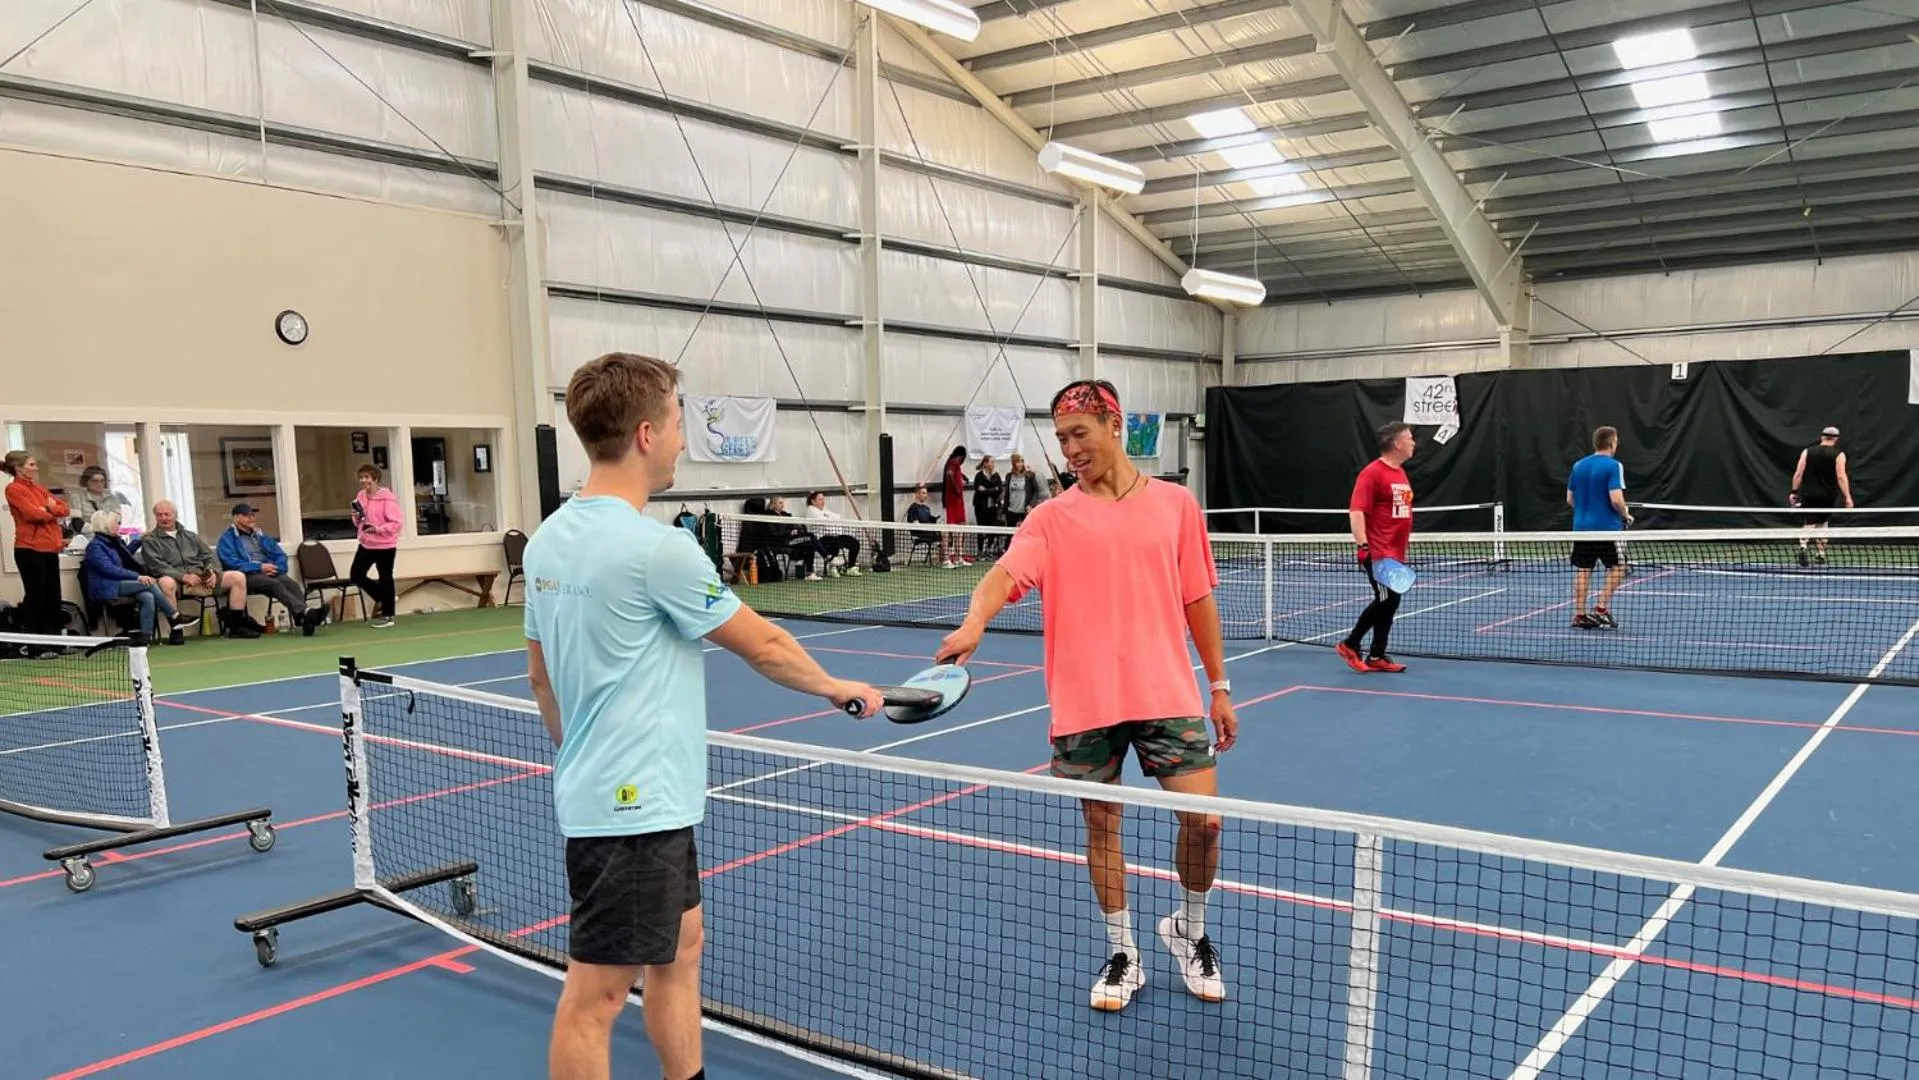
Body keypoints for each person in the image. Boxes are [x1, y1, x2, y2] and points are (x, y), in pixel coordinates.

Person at [525, 352, 883, 1080]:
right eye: (678, 422)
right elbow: (766, 645)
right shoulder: (659, 550)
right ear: (646, 434)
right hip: (634, 808)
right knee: (595, 999)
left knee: (681, 948)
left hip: (623, 798)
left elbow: (541, 679)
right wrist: (835, 687)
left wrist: (585, 762)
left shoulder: (547, 541)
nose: (683, 439)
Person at [937, 378, 1238, 1013]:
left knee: (1206, 824)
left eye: (1079, 433)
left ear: (1113, 424)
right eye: (1061, 438)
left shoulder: (1176, 505)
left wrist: (1219, 685)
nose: (1070, 449)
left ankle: (1189, 929)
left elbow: (1198, 599)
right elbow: (1004, 574)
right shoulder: (1050, 519)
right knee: (1102, 826)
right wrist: (975, 620)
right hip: (1086, 703)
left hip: (1167, 693)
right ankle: (1123, 952)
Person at [1337, 422, 1416, 674]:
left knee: (1391, 601)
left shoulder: (1400, 473)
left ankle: (1377, 655)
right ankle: (1350, 644)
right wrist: (1363, 545)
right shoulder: (1371, 473)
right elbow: (1357, 511)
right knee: (1386, 599)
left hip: (1396, 553)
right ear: (1397, 443)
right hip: (1378, 552)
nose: (1413, 442)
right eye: (1409, 438)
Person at [140, 500, 256, 638]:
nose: (163, 518)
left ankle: (236, 627)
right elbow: (157, 566)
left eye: (167, 514)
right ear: (155, 517)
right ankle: (176, 630)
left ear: (175, 515)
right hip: (176, 580)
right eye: (159, 515)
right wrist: (183, 577)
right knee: (166, 582)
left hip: (201, 576)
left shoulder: (190, 536)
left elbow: (209, 556)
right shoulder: (149, 539)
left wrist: (212, 572)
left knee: (238, 577)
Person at [83, 510, 193, 645]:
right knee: (149, 583)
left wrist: (139, 540)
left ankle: (146, 636)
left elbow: (124, 556)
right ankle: (174, 616)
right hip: (105, 587)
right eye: (116, 523)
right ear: (105, 526)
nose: (119, 526)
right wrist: (137, 576)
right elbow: (109, 569)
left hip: (120, 583)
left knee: (148, 596)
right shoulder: (95, 547)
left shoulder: (115, 542)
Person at [216, 504, 324, 636]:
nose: (251, 518)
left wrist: (277, 568)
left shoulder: (261, 536)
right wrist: (259, 567)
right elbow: (231, 563)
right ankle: (306, 613)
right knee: (274, 584)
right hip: (247, 575)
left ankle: (302, 618)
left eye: (252, 515)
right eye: (246, 515)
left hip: (269, 571)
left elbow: (280, 555)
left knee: (291, 584)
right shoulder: (227, 538)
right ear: (236, 518)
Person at [1567, 426, 1632, 629]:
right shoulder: (1614, 466)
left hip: (1581, 528)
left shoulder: (1578, 466)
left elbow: (1570, 498)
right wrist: (1626, 515)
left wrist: (1584, 513)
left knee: (1584, 569)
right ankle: (1601, 609)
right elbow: (1616, 500)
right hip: (1607, 529)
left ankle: (1580, 615)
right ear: (1612, 443)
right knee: (1619, 568)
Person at [3, 451, 69, 636]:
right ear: (18, 468)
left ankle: (56, 640)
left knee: (53, 596)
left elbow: (64, 509)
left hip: (50, 549)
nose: (36, 468)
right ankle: (37, 643)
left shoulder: (39, 489)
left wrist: (48, 508)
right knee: (36, 598)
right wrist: (49, 510)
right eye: (31, 465)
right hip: (29, 549)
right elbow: (32, 514)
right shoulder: (13, 489)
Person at [1791, 425, 1854, 566]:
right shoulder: (1839, 455)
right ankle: (1820, 554)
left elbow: (1798, 473)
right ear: (1836, 439)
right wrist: (1848, 497)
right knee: (1823, 524)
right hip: (1828, 496)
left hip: (1809, 494)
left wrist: (1794, 492)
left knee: (1809, 522)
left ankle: (1803, 546)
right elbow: (1841, 476)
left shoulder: (1807, 452)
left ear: (1822, 437)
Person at [349, 464, 403, 628]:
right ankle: (383, 596)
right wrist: (356, 517)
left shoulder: (387, 499)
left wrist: (378, 529)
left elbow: (396, 523)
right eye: (361, 477)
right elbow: (359, 521)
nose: (363, 481)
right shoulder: (360, 496)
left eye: (367, 477)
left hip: (385, 545)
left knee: (385, 577)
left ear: (376, 479)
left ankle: (388, 616)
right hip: (366, 543)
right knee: (356, 575)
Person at [801, 491, 862, 575]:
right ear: (813, 501)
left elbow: (838, 517)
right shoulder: (811, 510)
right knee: (834, 543)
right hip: (820, 539)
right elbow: (825, 522)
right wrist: (829, 519)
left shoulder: (825, 510)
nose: (823, 501)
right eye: (820, 499)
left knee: (854, 543)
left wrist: (828, 519)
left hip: (834, 536)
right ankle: (833, 567)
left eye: (823, 499)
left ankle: (850, 567)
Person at [73, 466, 131, 532]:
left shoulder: (112, 498)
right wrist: (98, 530)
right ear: (86, 481)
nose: (99, 484)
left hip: (110, 535)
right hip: (88, 535)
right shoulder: (77, 497)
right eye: (95, 481)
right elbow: (76, 523)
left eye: (102, 481)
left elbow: (118, 521)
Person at [941, 445, 971, 569]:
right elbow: (949, 474)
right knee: (950, 529)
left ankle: (959, 557)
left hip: (958, 501)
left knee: (960, 528)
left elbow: (954, 473)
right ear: (962, 456)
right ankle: (946, 559)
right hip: (953, 501)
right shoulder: (953, 462)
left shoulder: (956, 464)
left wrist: (963, 476)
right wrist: (956, 488)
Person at [1003, 452, 1049, 528]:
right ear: (1014, 463)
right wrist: (1004, 511)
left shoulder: (1029, 475)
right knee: (1011, 533)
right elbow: (1007, 494)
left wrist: (1031, 505)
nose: (1020, 464)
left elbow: (1036, 491)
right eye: (1018, 462)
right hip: (1011, 511)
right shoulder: (1009, 476)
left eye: (1022, 462)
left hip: (1024, 511)